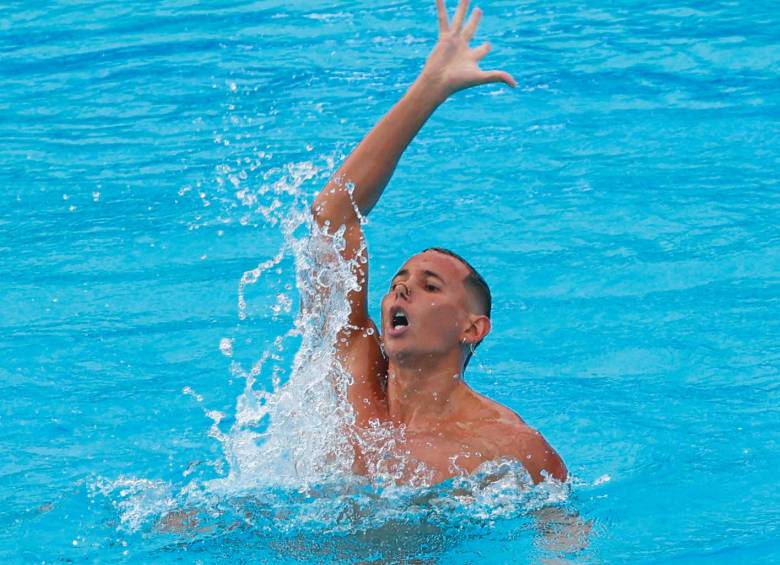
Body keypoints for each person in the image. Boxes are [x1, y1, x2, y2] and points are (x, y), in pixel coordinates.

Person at [310, 0, 566, 485]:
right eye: (398, 281)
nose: (401, 290)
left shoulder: (508, 446)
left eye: (430, 286)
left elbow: (564, 525)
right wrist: (431, 87)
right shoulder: (352, 369)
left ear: (473, 328)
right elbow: (332, 214)